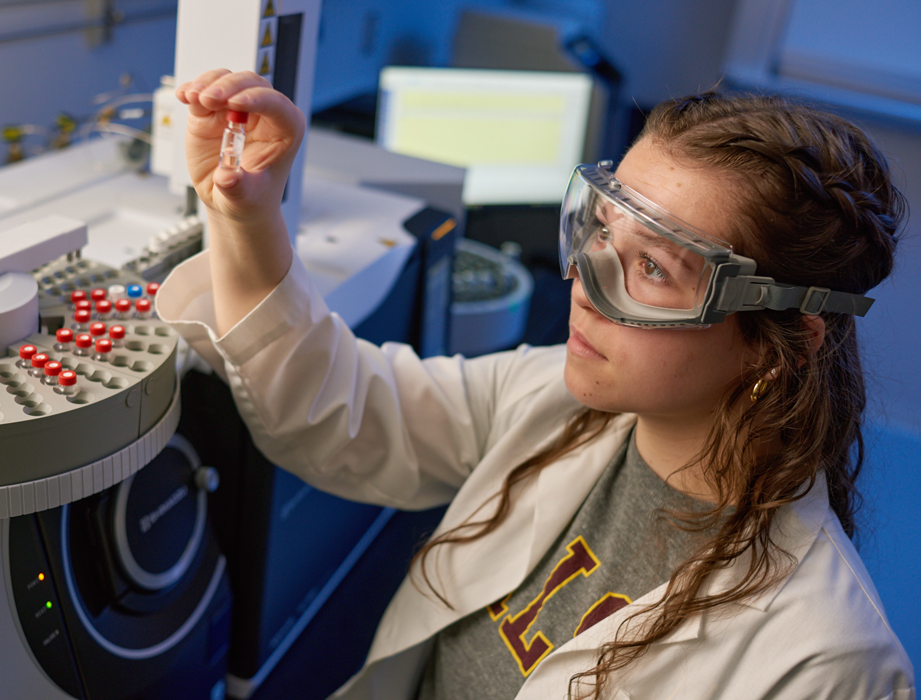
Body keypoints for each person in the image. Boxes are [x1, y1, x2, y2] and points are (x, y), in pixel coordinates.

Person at [157, 69, 916, 699]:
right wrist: (247, 215)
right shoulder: (550, 399)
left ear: (779, 343)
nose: (585, 282)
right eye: (601, 228)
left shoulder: (827, 661)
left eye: (653, 267)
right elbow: (346, 412)